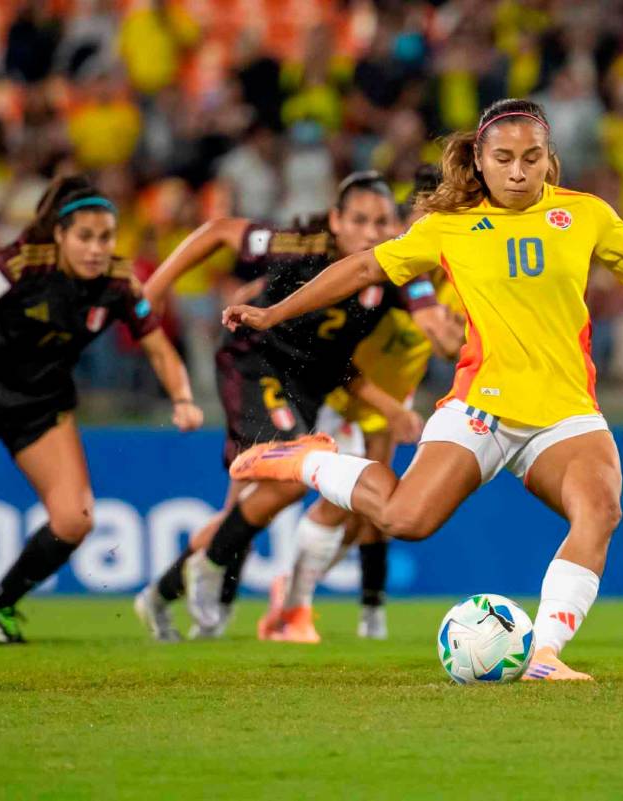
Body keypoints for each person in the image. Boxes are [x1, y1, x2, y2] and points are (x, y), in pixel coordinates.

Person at [220, 99, 623, 680]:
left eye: (531, 157)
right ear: (479, 160)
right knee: (404, 519)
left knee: (600, 511)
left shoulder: (586, 215)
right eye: (503, 158)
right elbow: (360, 269)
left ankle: (545, 656)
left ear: (549, 158)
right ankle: (309, 460)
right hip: (481, 407)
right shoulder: (447, 227)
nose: (518, 171)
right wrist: (273, 315)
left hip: (565, 413)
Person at [133, 171, 459, 641]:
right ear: (335, 221)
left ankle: (160, 595)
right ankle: (213, 568)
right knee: (290, 478)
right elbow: (222, 230)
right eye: (360, 220)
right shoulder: (300, 244)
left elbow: (429, 318)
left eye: (382, 222)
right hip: (255, 362)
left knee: (244, 510)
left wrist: (453, 329)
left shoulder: (391, 272)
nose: (371, 232)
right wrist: (157, 287)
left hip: (308, 387)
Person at [0, 175, 203, 644]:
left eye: (105, 237)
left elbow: (160, 349)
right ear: (59, 236)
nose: (96, 249)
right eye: (85, 237)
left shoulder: (119, 285)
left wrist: (183, 399)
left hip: (41, 406)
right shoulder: (19, 266)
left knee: (74, 520)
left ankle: (0, 604)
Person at [259, 165, 464, 643]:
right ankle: (292, 608)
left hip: (389, 405)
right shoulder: (388, 270)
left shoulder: (454, 280)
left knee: (366, 519)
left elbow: (451, 346)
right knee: (341, 509)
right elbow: (336, 355)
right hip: (341, 396)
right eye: (421, 218)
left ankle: (312, 599)